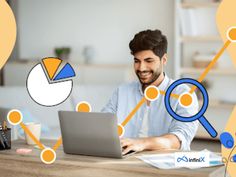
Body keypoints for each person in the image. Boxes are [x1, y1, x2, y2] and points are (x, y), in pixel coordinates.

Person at [102, 29, 199, 155]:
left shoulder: (183, 94)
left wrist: (141, 143)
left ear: (163, 60)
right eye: (137, 61)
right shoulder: (122, 91)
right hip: (125, 162)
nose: (141, 68)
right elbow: (103, 126)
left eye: (149, 61)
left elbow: (179, 139)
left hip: (167, 167)